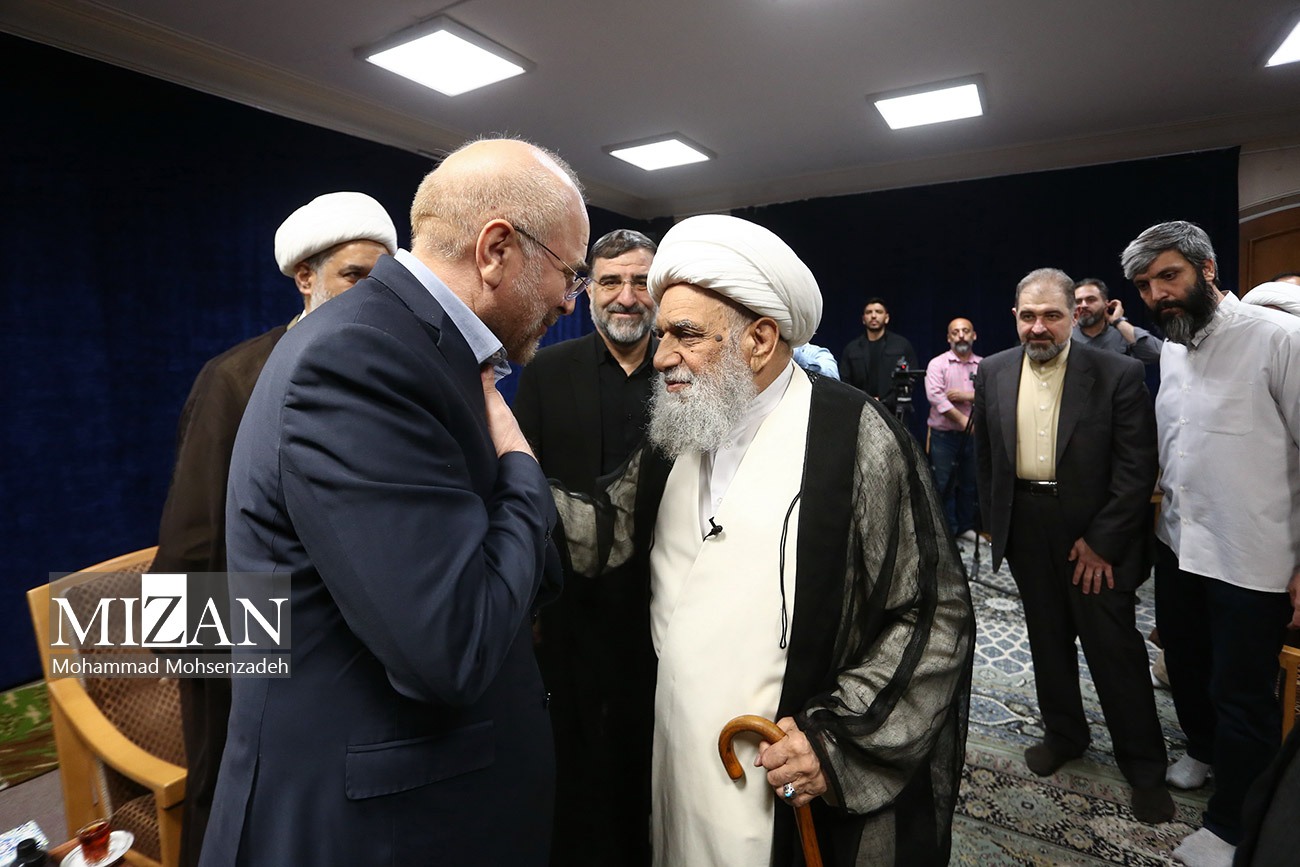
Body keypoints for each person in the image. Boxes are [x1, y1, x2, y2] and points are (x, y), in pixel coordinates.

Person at [520, 214, 974, 867]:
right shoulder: (678, 429)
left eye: (685, 335)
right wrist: (498, 465)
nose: (661, 355)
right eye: (662, 334)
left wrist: (834, 740)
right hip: (676, 746)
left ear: (759, 339)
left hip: (779, 765)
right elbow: (606, 527)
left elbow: (934, 612)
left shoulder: (856, 436)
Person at [202, 138, 590, 867]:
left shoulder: (428, 351)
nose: (570, 301)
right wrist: (521, 467)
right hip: (377, 829)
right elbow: (452, 648)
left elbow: (529, 576)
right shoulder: (358, 356)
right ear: (497, 251)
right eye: (569, 273)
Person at [153, 191, 396, 867]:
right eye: (353, 275)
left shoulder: (386, 373)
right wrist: (234, 688)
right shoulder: (235, 380)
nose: (370, 294)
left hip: (349, 655)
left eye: (382, 280)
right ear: (305, 278)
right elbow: (193, 546)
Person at [1120, 221, 1300, 867]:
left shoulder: (1278, 338)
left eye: (1168, 275)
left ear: (1208, 268)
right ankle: (1201, 748)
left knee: (1241, 692)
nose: (1157, 294)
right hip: (1179, 545)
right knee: (1187, 665)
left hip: (1252, 555)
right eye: (1145, 284)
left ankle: (1231, 827)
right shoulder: (1171, 347)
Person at [971, 267, 1173, 823]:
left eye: (1051, 316)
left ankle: (1144, 766)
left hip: (1095, 535)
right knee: (1047, 639)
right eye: (1028, 316)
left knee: (1114, 651)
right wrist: (998, 525)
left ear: (1075, 316)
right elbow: (986, 458)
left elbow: (1137, 468)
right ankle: (1065, 734)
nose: (1039, 327)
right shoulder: (993, 369)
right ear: (1015, 317)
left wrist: (1101, 542)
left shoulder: (1117, 372)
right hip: (1026, 528)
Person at [513, 228, 659, 866]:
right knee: (569, 748)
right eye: (610, 282)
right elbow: (524, 486)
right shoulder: (547, 370)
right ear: (588, 291)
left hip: (661, 604)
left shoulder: (687, 371)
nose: (626, 297)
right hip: (567, 604)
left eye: (641, 282)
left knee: (645, 748)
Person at [924, 317, 981, 542]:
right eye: (955, 332)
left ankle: (966, 527)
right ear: (948, 338)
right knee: (943, 483)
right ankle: (947, 531)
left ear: (974, 335)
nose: (961, 336)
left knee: (969, 483)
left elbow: (991, 395)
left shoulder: (984, 366)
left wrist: (966, 395)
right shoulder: (938, 364)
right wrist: (965, 421)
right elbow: (936, 397)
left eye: (966, 331)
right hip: (943, 436)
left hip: (973, 438)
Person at [838, 297, 917, 410]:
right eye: (869, 312)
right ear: (863, 319)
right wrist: (864, 400)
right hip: (860, 409)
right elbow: (845, 382)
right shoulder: (852, 349)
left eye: (878, 312)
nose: (873, 316)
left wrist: (886, 401)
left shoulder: (902, 345)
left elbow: (911, 378)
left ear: (887, 318)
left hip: (895, 410)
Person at [1072, 278, 1162, 362]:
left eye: (1091, 300)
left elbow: (1157, 353)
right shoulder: (1067, 335)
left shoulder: (1122, 334)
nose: (1083, 305)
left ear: (1106, 304)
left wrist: (1118, 321)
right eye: (1078, 301)